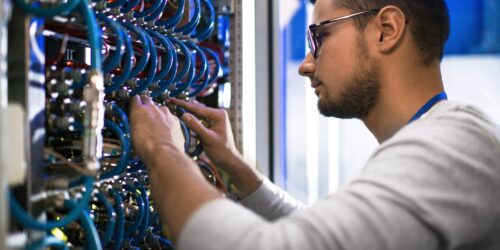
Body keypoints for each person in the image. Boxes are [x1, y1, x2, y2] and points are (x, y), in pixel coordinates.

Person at [129, 0, 500, 249]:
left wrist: (162, 151)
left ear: (386, 29)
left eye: (319, 36)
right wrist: (237, 167)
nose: (305, 64)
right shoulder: (442, 141)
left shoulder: (454, 147)